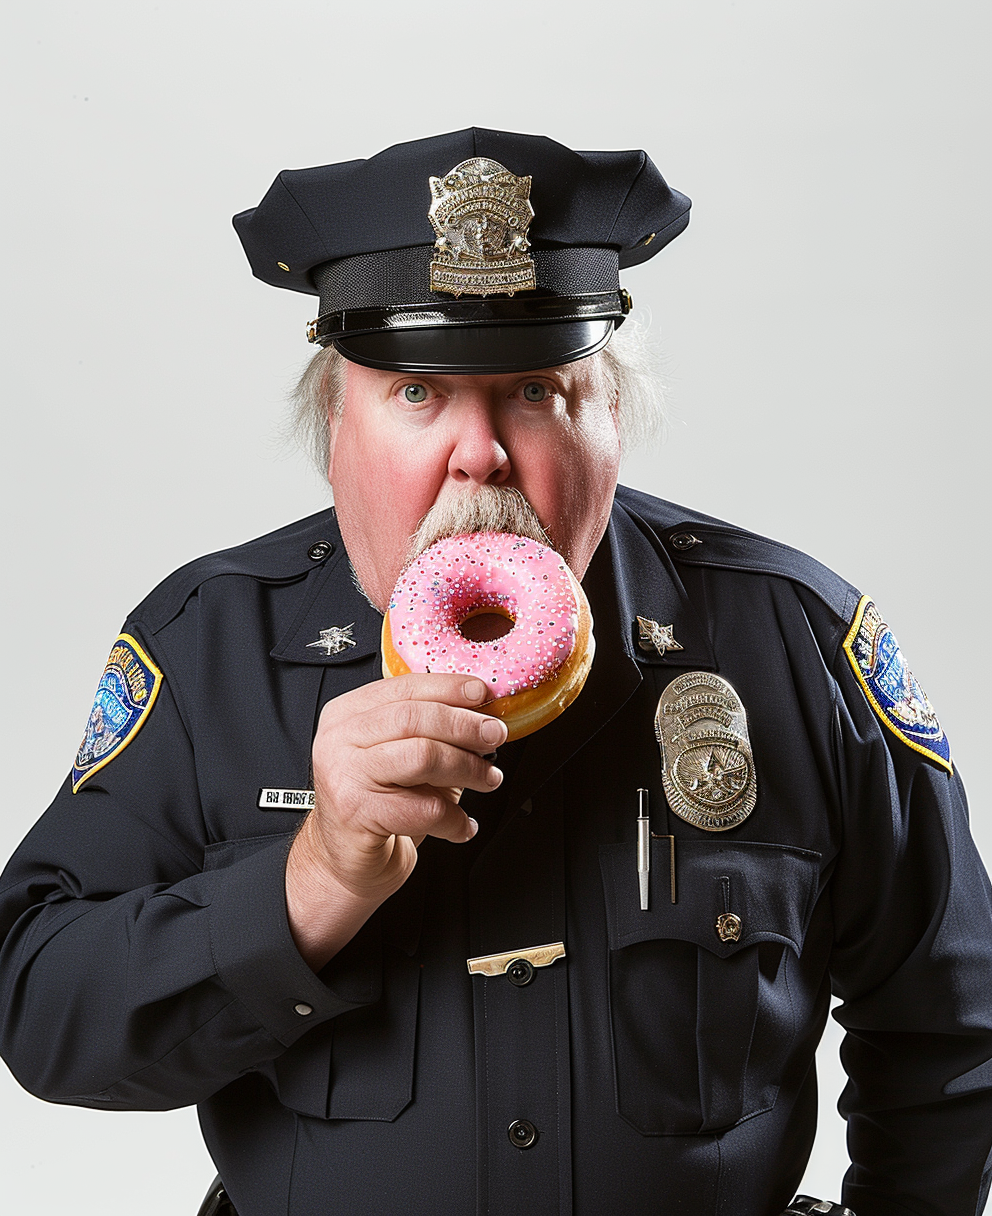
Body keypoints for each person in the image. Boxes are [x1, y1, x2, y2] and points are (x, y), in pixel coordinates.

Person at [1, 128, 990, 1216]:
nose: (478, 453)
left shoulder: (792, 642)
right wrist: (311, 881)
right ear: (334, 422)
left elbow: (951, 1029)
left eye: (534, 390)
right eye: (416, 393)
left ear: (612, 418)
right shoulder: (210, 643)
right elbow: (44, 1016)